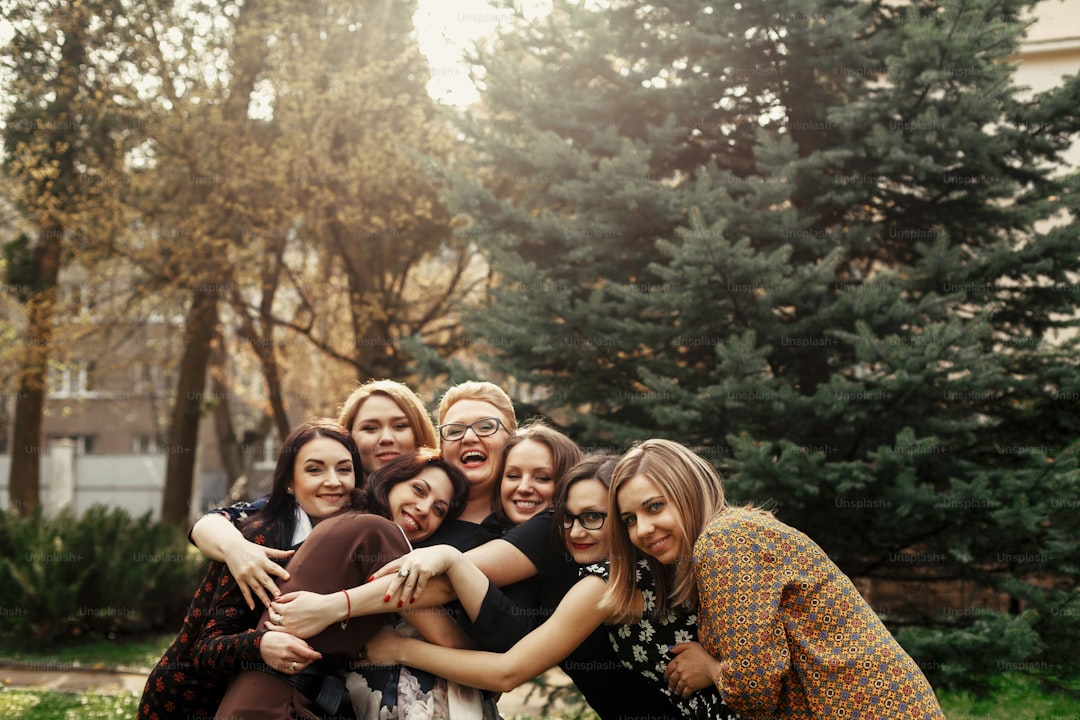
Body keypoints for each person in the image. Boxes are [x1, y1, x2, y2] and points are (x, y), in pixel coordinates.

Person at [362, 454, 741, 720]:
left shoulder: (616, 578)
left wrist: (400, 648)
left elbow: (507, 672)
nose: (576, 531)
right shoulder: (627, 573)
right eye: (567, 518)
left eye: (594, 517)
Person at [137, 421, 466, 720]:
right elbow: (205, 647)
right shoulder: (263, 539)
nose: (333, 482)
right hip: (187, 702)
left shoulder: (354, 537)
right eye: (314, 470)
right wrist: (261, 644)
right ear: (290, 483)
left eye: (344, 470)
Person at [603, 439, 947, 719]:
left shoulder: (724, 540)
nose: (643, 530)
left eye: (654, 507)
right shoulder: (737, 533)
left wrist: (708, 668)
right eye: (629, 519)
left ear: (688, 493)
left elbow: (754, 689)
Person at [189, 379, 440, 611]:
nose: (386, 438)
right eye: (370, 428)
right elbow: (214, 522)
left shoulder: (441, 497)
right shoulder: (333, 499)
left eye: (400, 426)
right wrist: (237, 548)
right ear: (349, 439)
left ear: (419, 433)